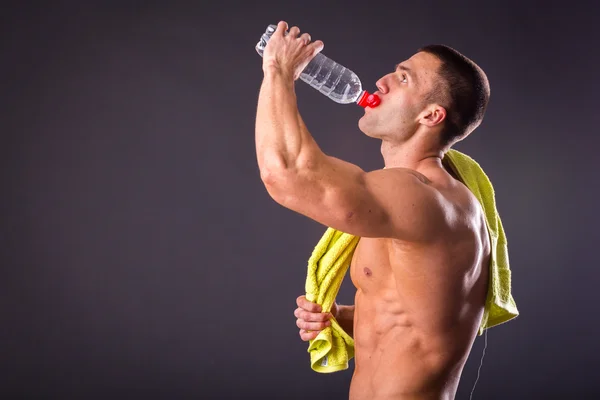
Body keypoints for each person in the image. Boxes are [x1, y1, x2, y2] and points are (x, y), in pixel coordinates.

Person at [255, 21, 492, 400]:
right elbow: (421, 322)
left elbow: (286, 174)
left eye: (402, 78)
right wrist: (343, 317)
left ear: (431, 116)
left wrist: (278, 71)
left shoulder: (427, 197)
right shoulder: (409, 195)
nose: (381, 81)